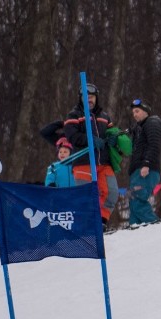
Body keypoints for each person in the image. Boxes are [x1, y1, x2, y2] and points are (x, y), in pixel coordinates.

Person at [64, 83, 119, 227]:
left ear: (96, 98)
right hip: (84, 161)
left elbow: (112, 133)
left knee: (111, 192)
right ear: (80, 98)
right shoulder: (74, 115)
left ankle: (101, 222)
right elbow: (72, 136)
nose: (89, 99)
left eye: (92, 97)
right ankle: (86, 226)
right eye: (86, 97)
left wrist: (114, 139)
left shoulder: (104, 116)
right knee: (85, 197)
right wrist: (90, 140)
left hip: (104, 162)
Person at [128, 99, 161, 225]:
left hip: (146, 168)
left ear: (145, 111)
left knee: (138, 196)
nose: (135, 115)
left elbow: (154, 144)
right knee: (133, 199)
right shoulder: (139, 128)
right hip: (137, 169)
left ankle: (153, 223)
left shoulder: (152, 122)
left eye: (137, 111)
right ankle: (135, 225)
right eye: (133, 112)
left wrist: (146, 164)